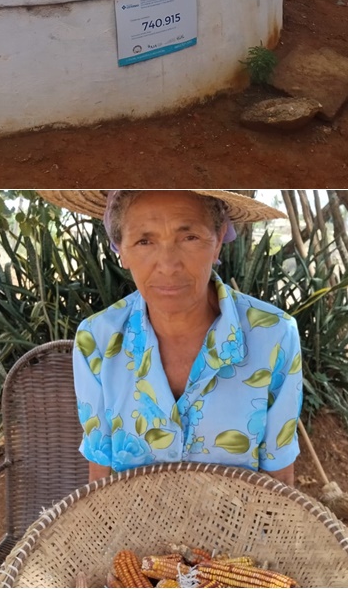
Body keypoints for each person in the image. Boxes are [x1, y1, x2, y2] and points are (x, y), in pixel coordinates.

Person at [37, 190, 302, 486]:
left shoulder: (274, 335)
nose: (168, 265)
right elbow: (100, 476)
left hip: (236, 529)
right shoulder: (97, 340)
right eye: (144, 241)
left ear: (218, 242)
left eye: (189, 238)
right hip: (135, 527)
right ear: (120, 249)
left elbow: (279, 477)